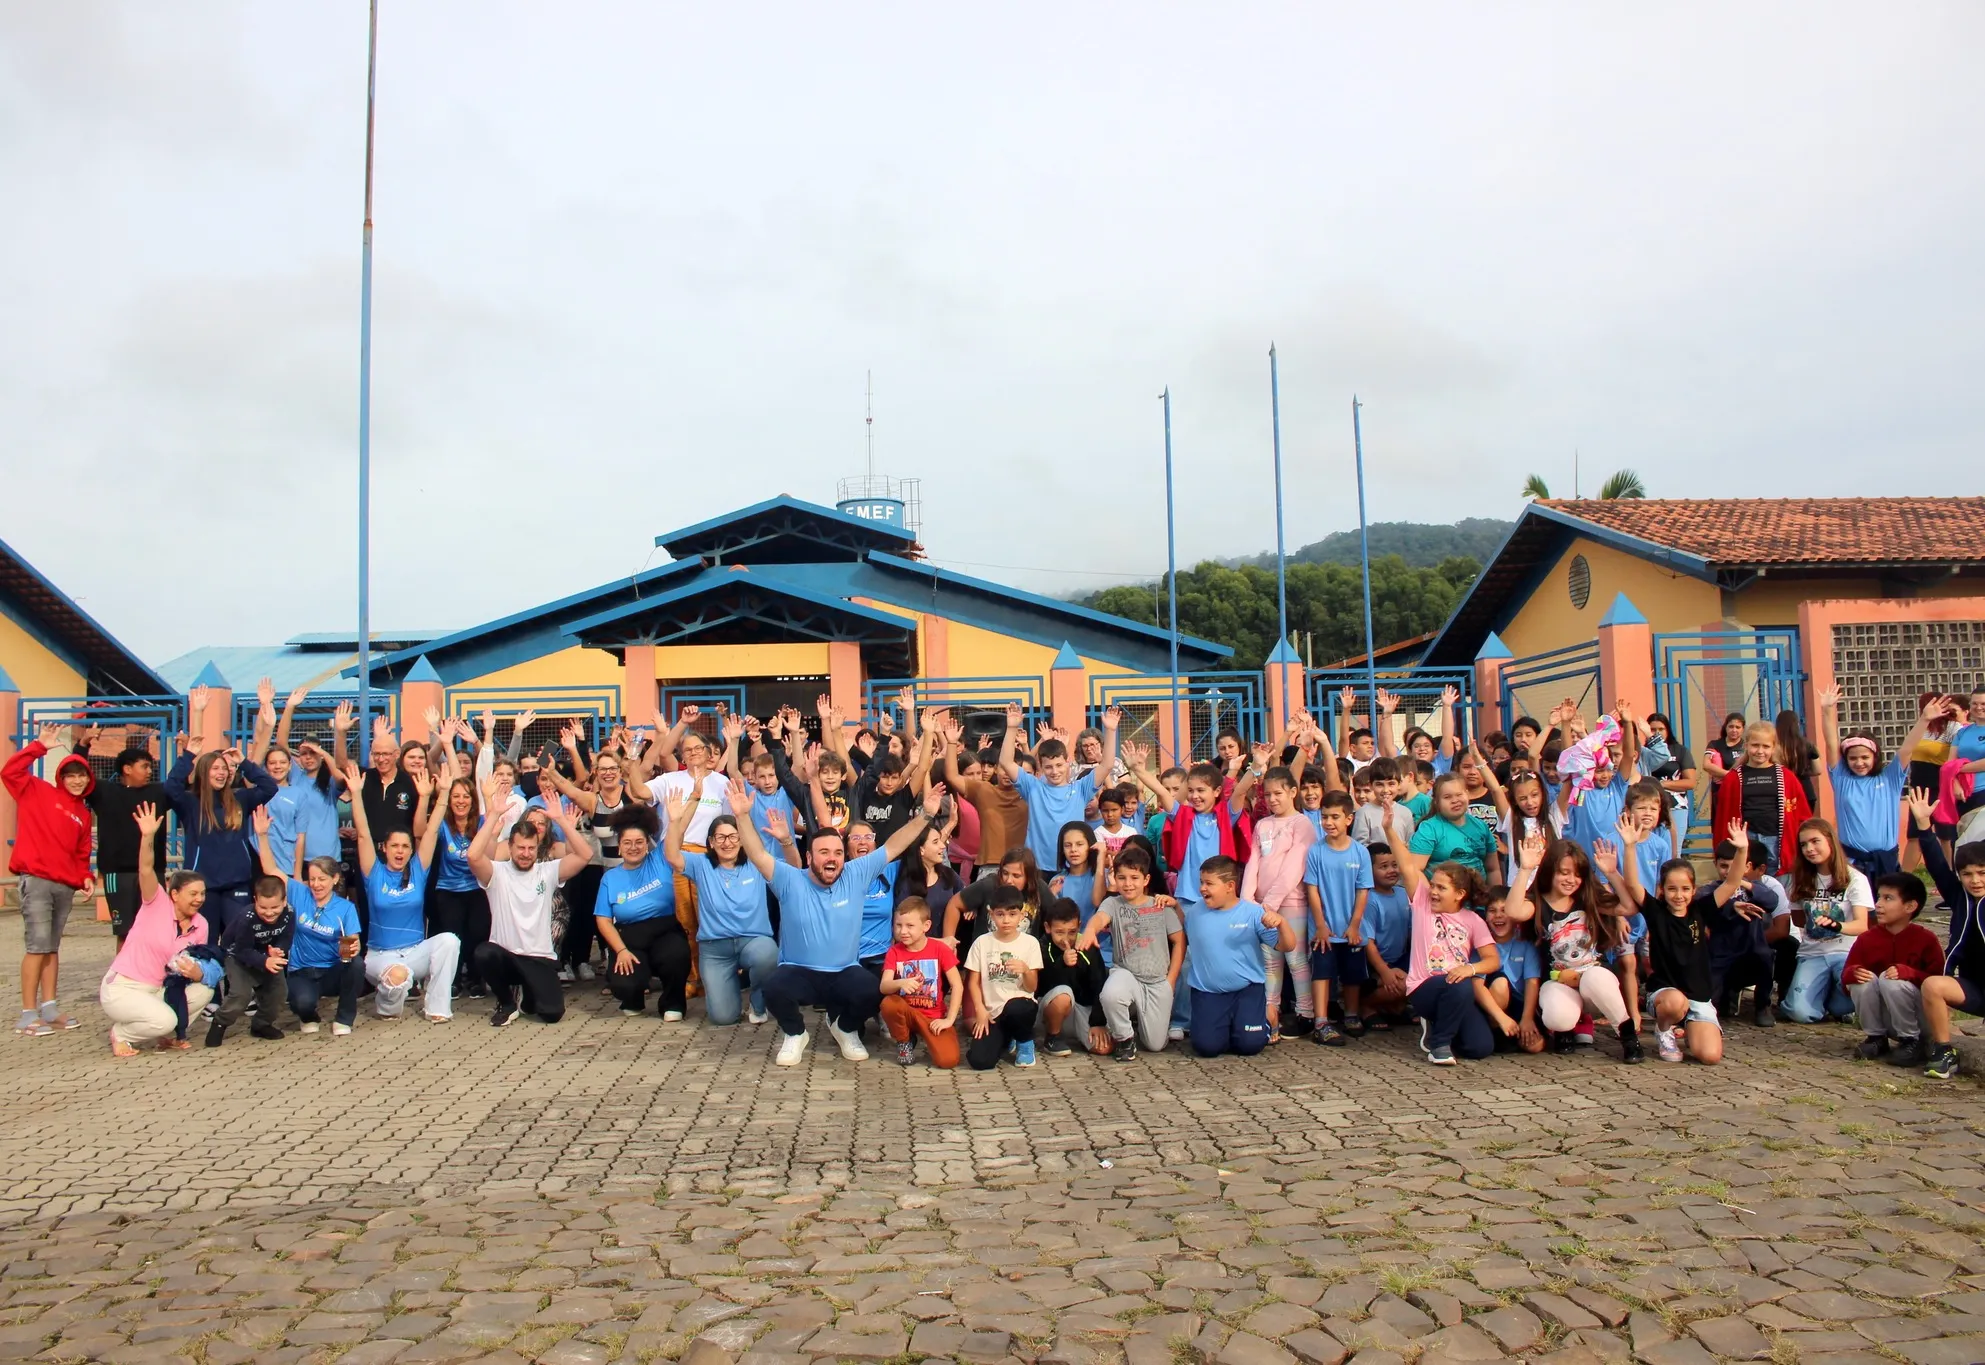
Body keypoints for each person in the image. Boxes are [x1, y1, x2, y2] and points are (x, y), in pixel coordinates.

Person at [731, 778, 943, 1064]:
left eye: (838, 852)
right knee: (774, 988)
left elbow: (895, 844)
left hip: (844, 970)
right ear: (809, 856)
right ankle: (795, 1034)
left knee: (873, 990)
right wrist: (742, 816)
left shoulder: (856, 873)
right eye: (824, 853)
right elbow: (757, 853)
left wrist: (926, 815)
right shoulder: (788, 879)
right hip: (798, 970)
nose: (832, 858)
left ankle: (844, 1028)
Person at [1614, 818, 1748, 1065]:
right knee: (1675, 1002)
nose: (1679, 895)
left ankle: (1690, 1027)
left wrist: (1742, 849)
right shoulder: (1656, 911)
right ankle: (1664, 1029)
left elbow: (1731, 883)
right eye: (1672, 889)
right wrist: (1630, 846)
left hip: (1699, 997)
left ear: (1693, 890)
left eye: (1685, 889)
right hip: (1666, 995)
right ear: (1662, 890)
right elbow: (1632, 883)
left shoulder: (1701, 909)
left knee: (1709, 1056)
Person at [1504, 833, 1643, 1062]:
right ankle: (1564, 1031)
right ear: (1551, 871)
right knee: (1558, 1017)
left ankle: (1628, 1037)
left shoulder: (1587, 897)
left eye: (1577, 874)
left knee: (1596, 978)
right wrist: (1526, 869)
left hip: (1593, 981)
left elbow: (1629, 907)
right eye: (1564, 872)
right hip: (1558, 981)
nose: (1571, 880)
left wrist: (1611, 873)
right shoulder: (1539, 902)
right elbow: (1513, 911)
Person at [467, 787, 594, 1026]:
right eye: (520, 848)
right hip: (506, 956)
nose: (525, 854)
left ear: (537, 848)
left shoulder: (547, 871)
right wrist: (493, 815)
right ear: (510, 847)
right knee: (484, 953)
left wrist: (561, 821)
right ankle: (506, 1003)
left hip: (539, 958)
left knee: (552, 1014)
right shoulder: (497, 873)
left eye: (531, 848)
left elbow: (585, 854)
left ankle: (529, 993)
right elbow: (473, 856)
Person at [341, 760, 455, 1022]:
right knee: (398, 978)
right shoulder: (374, 872)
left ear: (411, 850)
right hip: (381, 957)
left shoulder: (417, 870)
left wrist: (444, 793)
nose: (400, 851)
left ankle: (437, 1008)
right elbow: (363, 835)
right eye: (395, 846)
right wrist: (356, 794)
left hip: (414, 953)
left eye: (405, 846)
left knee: (450, 941)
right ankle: (387, 1006)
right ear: (385, 848)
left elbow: (431, 832)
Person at [99, 803, 215, 1056]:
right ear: (174, 894)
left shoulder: (201, 924)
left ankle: (167, 1036)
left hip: (159, 988)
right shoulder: (156, 903)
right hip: (124, 988)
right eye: (193, 894)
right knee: (165, 1019)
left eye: (203, 894)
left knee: (204, 990)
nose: (199, 899)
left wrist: (198, 972)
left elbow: (197, 963)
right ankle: (122, 1034)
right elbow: (145, 869)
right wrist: (148, 836)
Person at [1383, 815, 1500, 1065]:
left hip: (1458, 989)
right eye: (1433, 886)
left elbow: (1492, 960)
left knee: (1480, 1047)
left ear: (1459, 894)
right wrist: (1388, 829)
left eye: (1441, 888)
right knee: (1460, 985)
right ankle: (1439, 1046)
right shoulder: (1423, 903)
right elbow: (1407, 866)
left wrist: (1470, 969)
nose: (1433, 892)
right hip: (1424, 987)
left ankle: (1442, 1026)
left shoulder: (1473, 920)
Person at [6, 723, 94, 1036]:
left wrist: (85, 876)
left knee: (52, 947)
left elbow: (82, 853)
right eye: (70, 775)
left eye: (81, 775)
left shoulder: (83, 813)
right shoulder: (37, 791)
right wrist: (39, 746)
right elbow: (10, 772)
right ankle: (28, 1015)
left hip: (64, 886)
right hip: (37, 881)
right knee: (38, 946)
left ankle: (50, 1008)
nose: (77, 780)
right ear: (61, 777)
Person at [664, 794, 782, 1026]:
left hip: (753, 941)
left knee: (768, 955)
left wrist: (743, 816)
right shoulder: (701, 864)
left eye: (733, 836)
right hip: (715, 949)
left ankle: (759, 1001)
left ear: (742, 840)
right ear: (711, 842)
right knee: (723, 1018)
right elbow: (672, 856)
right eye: (721, 837)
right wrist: (675, 822)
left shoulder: (756, 863)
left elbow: (789, 864)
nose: (727, 843)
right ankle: (729, 995)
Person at [163, 735, 280, 944]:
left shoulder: (240, 798)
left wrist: (244, 763)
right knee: (205, 941)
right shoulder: (190, 802)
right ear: (204, 771)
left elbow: (270, 787)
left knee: (238, 940)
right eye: (215, 768)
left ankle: (234, 968)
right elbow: (171, 788)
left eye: (224, 768)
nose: (221, 773)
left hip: (237, 883)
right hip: (204, 886)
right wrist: (188, 755)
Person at [1905, 789, 1985, 1080]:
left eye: (1982, 873)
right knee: (1933, 985)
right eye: (1968, 874)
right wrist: (1923, 825)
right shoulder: (1958, 896)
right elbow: (1937, 865)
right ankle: (1944, 1050)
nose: (1975, 880)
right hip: (1974, 988)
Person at [1182, 857, 1294, 1059]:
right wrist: (1173, 906)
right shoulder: (1194, 912)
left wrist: (1282, 924)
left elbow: (1287, 946)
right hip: (1207, 993)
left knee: (1250, 1046)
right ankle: (1226, 1028)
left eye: (1209, 883)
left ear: (1230, 886)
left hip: (1246, 991)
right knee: (1207, 1048)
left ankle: (1268, 1016)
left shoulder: (1254, 913)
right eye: (1201, 882)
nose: (1202, 888)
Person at [1819, 687, 1932, 880]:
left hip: (1886, 860)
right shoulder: (1841, 778)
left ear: (1875, 757)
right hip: (1852, 862)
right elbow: (1830, 743)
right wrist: (1827, 710)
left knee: (1889, 899)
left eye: (1865, 757)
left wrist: (1925, 719)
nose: (1859, 762)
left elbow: (1906, 749)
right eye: (1853, 758)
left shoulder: (1890, 778)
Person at [1081, 845, 1182, 1060]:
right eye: (1122, 878)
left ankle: (1139, 1019)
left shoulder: (1160, 905)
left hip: (1157, 982)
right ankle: (1125, 1038)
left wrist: (1171, 980)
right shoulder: (1113, 903)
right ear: (1115, 878)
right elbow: (1100, 918)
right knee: (1111, 994)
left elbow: (1179, 941)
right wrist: (1090, 930)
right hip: (1126, 974)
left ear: (1146, 880)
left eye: (1134, 878)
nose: (1128, 884)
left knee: (1155, 1045)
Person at [259, 840, 365, 1037]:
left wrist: (353, 947)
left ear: (335, 879)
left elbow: (353, 940)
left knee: (356, 964)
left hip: (331, 970)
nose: (316, 885)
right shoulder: (300, 893)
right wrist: (262, 835)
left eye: (322, 879)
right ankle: (309, 1016)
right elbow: (270, 869)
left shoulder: (345, 907)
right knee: (302, 1004)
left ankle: (344, 1018)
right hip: (302, 970)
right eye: (312, 879)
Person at [1242, 766, 1317, 1042]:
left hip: (1291, 902)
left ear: (1292, 792)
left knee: (1296, 959)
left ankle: (1305, 1013)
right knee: (1270, 962)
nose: (1272, 799)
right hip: (1262, 906)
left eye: (1278, 793)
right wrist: (1248, 900)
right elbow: (1254, 861)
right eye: (1267, 794)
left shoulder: (1301, 824)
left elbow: (1294, 866)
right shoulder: (1262, 825)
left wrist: (1271, 902)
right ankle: (1269, 1012)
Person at [1842, 862, 1942, 1065]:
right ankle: (1876, 1038)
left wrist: (1909, 974)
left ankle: (1911, 1042)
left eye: (1888, 898)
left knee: (1891, 980)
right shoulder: (1867, 938)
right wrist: (1854, 973)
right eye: (1879, 897)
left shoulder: (1927, 939)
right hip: (1886, 1014)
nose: (1878, 904)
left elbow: (1938, 982)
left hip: (1919, 1017)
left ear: (1910, 906)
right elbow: (1846, 977)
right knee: (1863, 982)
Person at [1002, 703, 1121, 872]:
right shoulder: (1033, 787)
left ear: (1067, 762)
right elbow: (1006, 762)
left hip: (1072, 867)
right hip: (1037, 867)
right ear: (1041, 767)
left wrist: (1110, 730)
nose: (1055, 771)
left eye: (1059, 765)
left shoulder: (1081, 789)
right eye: (1048, 767)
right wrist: (1011, 728)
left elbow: (1107, 765)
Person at [1775, 817, 1872, 1023]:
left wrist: (1837, 925)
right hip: (1812, 953)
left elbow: (1862, 925)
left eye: (1815, 841)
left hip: (1846, 953)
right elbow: (1799, 921)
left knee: (1854, 994)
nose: (1809, 849)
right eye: (1803, 844)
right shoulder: (1798, 879)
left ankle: (1836, 1002)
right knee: (1799, 1013)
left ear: (1830, 841)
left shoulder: (1855, 879)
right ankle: (1819, 996)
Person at [597, 802, 689, 1019]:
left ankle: (673, 1003)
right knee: (624, 983)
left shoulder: (660, 859)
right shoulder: (610, 878)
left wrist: (690, 802)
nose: (633, 847)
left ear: (647, 844)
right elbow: (603, 920)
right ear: (619, 847)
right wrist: (620, 950)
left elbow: (679, 831)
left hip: (665, 931)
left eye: (639, 842)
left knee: (677, 956)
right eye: (627, 843)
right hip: (629, 938)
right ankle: (633, 999)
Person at [1303, 790, 1371, 1045]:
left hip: (1351, 930)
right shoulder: (1315, 851)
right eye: (1324, 817)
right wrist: (1320, 925)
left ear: (1349, 819)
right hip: (1324, 930)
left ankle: (1351, 1015)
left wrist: (1355, 925)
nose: (1328, 822)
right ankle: (1321, 1022)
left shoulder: (1360, 853)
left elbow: (1362, 890)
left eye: (1335, 817)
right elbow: (1312, 889)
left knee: (1352, 974)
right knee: (1321, 973)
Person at [88, 744, 168, 949]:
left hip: (153, 872)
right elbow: (82, 776)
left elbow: (181, 781)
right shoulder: (105, 792)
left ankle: (152, 968)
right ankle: (124, 969)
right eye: (145, 766)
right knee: (125, 932)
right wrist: (83, 745)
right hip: (118, 874)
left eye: (151, 767)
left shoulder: (159, 792)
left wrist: (187, 752)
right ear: (127, 769)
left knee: (154, 929)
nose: (149, 771)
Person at [209, 857, 293, 1047]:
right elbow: (242, 950)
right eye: (263, 907)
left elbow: (286, 937)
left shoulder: (290, 913)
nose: (269, 913)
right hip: (238, 956)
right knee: (240, 995)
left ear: (284, 901)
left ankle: (261, 1024)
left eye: (274, 907)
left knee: (279, 992)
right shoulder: (246, 918)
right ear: (255, 900)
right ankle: (220, 1023)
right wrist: (264, 961)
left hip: (267, 956)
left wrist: (280, 950)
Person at [1711, 722, 1813, 872]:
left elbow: (1802, 813)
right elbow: (1722, 816)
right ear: (1746, 745)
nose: (1760, 751)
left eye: (1766, 746)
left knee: (1778, 882)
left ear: (1773, 748)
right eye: (1755, 745)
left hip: (1777, 841)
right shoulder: (1733, 778)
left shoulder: (1787, 777)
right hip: (1745, 840)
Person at [1707, 834, 1783, 1028]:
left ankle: (1762, 1006)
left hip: (1752, 951)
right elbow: (1705, 906)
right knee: (1711, 997)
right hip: (1721, 954)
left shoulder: (1754, 887)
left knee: (1766, 958)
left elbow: (1772, 901)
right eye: (1724, 866)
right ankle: (1716, 1006)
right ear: (1715, 865)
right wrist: (1731, 905)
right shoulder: (1711, 889)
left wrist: (1742, 883)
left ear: (1746, 866)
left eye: (1735, 866)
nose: (1728, 872)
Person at [964, 887, 1045, 1069]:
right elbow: (973, 983)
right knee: (979, 1061)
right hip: (993, 1014)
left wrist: (1026, 970)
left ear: (1022, 915)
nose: (1006, 920)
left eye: (1012, 914)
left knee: (1016, 1007)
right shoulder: (982, 943)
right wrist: (980, 1009)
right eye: (1000, 914)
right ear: (991, 914)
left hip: (1021, 1006)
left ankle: (1024, 1041)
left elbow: (1032, 987)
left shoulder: (1030, 943)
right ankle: (1007, 1039)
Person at [879, 897, 963, 1068]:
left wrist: (949, 1019)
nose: (903, 931)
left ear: (926, 926)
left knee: (948, 1061)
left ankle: (926, 1036)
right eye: (898, 925)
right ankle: (904, 1041)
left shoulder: (940, 949)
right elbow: (884, 986)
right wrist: (900, 983)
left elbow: (957, 985)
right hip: (907, 1013)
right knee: (889, 1003)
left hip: (932, 1017)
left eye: (910, 926)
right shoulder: (894, 952)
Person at [430, 777, 491, 998]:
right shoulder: (443, 824)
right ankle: (453, 980)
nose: (461, 801)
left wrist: (489, 797)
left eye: (466, 796)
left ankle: (476, 979)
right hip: (448, 889)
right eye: (455, 796)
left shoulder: (481, 822)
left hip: (477, 888)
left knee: (477, 934)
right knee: (452, 937)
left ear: (473, 800)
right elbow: (420, 831)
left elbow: (493, 831)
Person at [1475, 888, 1545, 1054]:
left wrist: (1527, 1018)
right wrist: (1501, 1017)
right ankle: (1496, 1031)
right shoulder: (1481, 941)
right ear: (1485, 916)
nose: (1498, 915)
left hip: (1518, 1003)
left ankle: (1510, 1036)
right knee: (1500, 983)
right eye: (1492, 911)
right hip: (1491, 1003)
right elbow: (1476, 985)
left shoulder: (1525, 942)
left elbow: (1532, 981)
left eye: (1504, 910)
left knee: (1535, 1046)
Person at [1037, 899, 1109, 1056]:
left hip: (1081, 1008)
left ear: (1079, 926)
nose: (1066, 939)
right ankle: (1052, 1037)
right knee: (1063, 994)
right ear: (1048, 928)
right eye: (1059, 932)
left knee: (1104, 1048)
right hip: (1050, 1008)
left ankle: (1080, 1034)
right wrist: (1062, 963)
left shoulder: (1088, 946)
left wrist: (1098, 1022)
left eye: (1072, 932)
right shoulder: (1042, 946)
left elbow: (1100, 984)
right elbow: (1041, 983)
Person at [1357, 842, 1414, 1026]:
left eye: (1394, 865)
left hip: (1400, 959)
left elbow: (1412, 934)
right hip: (1375, 965)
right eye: (1383, 866)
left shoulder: (1403, 894)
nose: (1391, 870)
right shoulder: (1369, 899)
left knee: (1420, 980)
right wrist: (1385, 972)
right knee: (1402, 985)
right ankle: (1366, 1006)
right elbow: (1368, 944)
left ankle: (1394, 1006)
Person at [1410, 773, 1499, 881]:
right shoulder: (1429, 829)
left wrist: (1493, 891)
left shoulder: (1481, 826)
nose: (1455, 800)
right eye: (1447, 797)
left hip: (1478, 890)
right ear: (1436, 801)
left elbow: (1493, 869)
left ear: (1467, 794)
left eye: (1459, 794)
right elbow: (1415, 870)